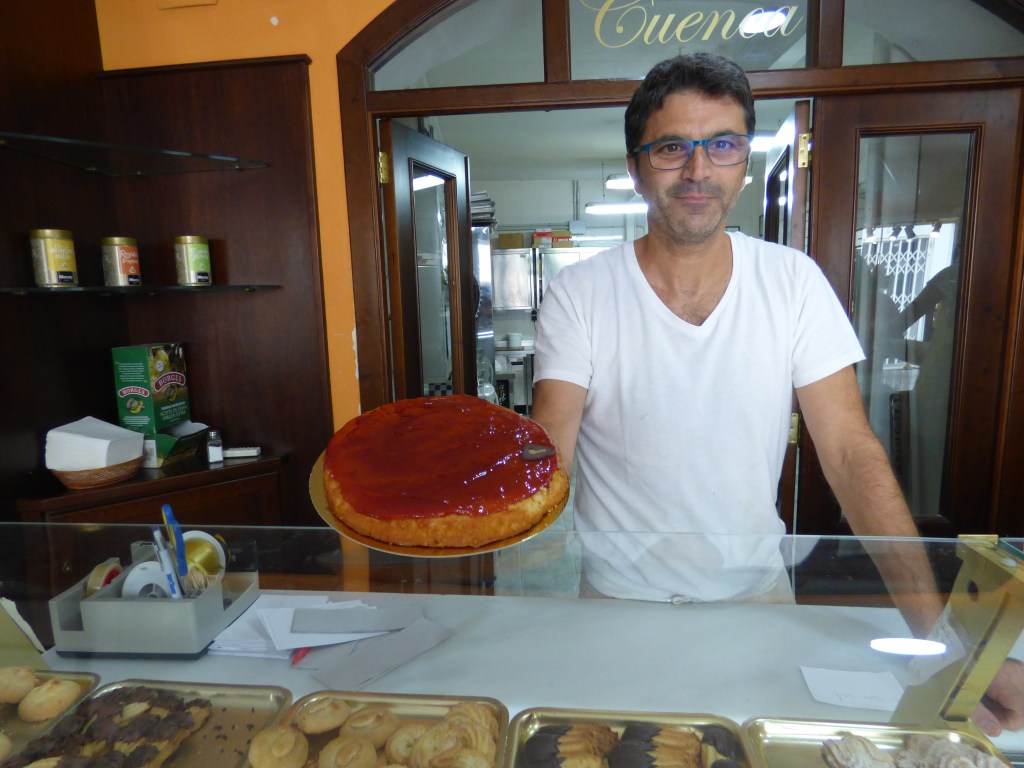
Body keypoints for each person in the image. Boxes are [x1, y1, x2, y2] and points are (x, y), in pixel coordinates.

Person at [530, 52, 1023, 735]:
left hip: (757, 599)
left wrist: (942, 638)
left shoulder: (793, 282)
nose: (698, 170)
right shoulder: (579, 293)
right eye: (672, 148)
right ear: (638, 167)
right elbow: (548, 454)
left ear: (743, 162)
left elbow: (849, 454)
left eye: (722, 145)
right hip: (615, 603)